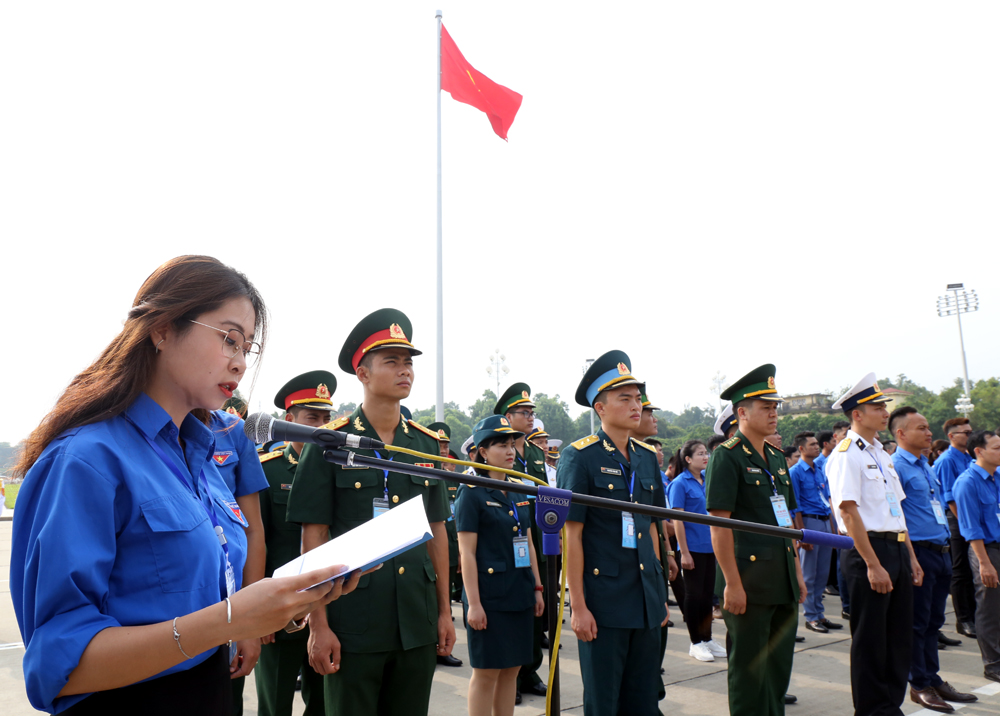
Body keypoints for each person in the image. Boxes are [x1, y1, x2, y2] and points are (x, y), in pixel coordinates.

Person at [9, 256, 357, 715]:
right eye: (229, 339)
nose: (239, 362)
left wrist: (285, 602)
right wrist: (231, 619)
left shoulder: (200, 458)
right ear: (162, 328)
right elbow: (57, 667)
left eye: (247, 348)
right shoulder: (87, 460)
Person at [285, 308, 455, 716]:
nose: (405, 371)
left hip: (416, 617)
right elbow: (314, 535)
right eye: (392, 361)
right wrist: (319, 624)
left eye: (408, 362)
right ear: (362, 373)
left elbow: (438, 530)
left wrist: (446, 612)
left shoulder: (425, 446)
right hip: (353, 618)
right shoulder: (330, 443)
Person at [558, 350, 668, 716]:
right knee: (604, 703)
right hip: (603, 601)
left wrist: (659, 594)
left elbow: (652, 526)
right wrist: (579, 606)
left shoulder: (646, 456)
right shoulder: (580, 457)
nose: (636, 405)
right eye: (625, 398)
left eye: (638, 398)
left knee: (643, 702)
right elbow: (571, 535)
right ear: (600, 408)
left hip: (645, 599)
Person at [705, 364, 804, 716]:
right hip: (747, 581)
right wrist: (731, 583)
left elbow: (788, 523)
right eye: (766, 407)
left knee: (778, 670)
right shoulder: (727, 456)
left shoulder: (777, 458)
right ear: (742, 412)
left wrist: (797, 573)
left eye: (775, 407)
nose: (774, 413)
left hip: (782, 580)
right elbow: (720, 526)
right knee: (749, 671)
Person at [826, 373, 923, 716]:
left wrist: (909, 554)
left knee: (898, 637)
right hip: (869, 551)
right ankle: (870, 709)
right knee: (870, 639)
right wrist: (872, 563)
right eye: (877, 407)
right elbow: (848, 512)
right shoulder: (845, 454)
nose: (885, 412)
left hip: (894, 547)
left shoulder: (882, 454)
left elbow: (896, 510)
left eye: (884, 406)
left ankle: (890, 705)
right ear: (857, 414)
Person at [254, 371, 340, 716]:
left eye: (325, 419)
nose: (320, 427)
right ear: (289, 422)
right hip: (278, 611)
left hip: (327, 609)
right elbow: (255, 544)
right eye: (311, 419)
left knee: (322, 704)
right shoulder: (267, 471)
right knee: (274, 705)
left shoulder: (339, 469)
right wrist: (258, 616)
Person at [455, 415, 545, 716]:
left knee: (512, 669)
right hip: (488, 597)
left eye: (512, 444)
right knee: (487, 671)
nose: (510, 451)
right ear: (482, 451)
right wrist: (474, 605)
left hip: (519, 592)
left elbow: (529, 543)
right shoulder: (470, 491)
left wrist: (537, 587)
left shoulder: (519, 488)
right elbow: (466, 553)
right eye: (501, 445)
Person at [888, 407, 977, 711]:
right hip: (919, 553)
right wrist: (910, 557)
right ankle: (919, 684)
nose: (929, 433)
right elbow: (896, 516)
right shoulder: (895, 466)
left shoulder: (925, 464)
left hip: (940, 550)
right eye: (921, 428)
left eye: (928, 428)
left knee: (934, 621)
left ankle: (932, 677)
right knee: (916, 623)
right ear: (901, 434)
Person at [207, 402, 270, 715]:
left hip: (229, 610)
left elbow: (253, 531)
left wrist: (249, 624)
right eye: (230, 347)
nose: (240, 364)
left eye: (245, 349)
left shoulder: (234, 431)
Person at [494, 383, 548, 700]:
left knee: (535, 611)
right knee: (510, 608)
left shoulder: (538, 454)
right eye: (524, 413)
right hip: (511, 536)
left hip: (539, 538)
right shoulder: (496, 452)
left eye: (531, 412)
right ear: (507, 416)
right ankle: (509, 680)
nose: (530, 417)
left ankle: (529, 671)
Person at [668, 440, 724, 662]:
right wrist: (684, 552)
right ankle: (696, 642)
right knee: (694, 595)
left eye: (706, 453)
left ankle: (708, 637)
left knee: (708, 594)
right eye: (700, 454)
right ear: (688, 459)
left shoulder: (707, 480)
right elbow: (678, 520)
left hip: (711, 547)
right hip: (693, 548)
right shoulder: (680, 484)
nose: (706, 456)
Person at [953, 430, 1000, 683]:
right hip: (987, 551)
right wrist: (984, 563)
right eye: (996, 448)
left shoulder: (999, 476)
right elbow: (971, 529)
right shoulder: (967, 482)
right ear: (979, 451)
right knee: (990, 608)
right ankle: (993, 664)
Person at [788, 432, 840, 634]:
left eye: (817, 444)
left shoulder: (819, 468)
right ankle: (811, 617)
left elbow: (827, 498)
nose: (816, 447)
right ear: (801, 449)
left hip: (825, 522)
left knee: (822, 574)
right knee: (809, 574)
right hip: (809, 523)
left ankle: (820, 614)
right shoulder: (796, 472)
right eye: (812, 444)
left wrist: (834, 530)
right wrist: (802, 534)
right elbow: (796, 506)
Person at [935, 417, 977, 639]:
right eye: (965, 433)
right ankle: (964, 620)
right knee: (960, 570)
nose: (970, 435)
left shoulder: (969, 457)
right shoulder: (947, 460)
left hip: (971, 518)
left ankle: (974, 615)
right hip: (957, 518)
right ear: (952, 436)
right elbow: (950, 499)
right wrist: (966, 526)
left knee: (973, 570)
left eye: (971, 432)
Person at [427, 421, 465, 666]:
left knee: (445, 601)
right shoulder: (425, 474)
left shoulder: (453, 479)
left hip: (449, 549)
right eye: (439, 444)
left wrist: (460, 552)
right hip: (426, 551)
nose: (442, 449)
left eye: (446, 444)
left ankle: (443, 647)